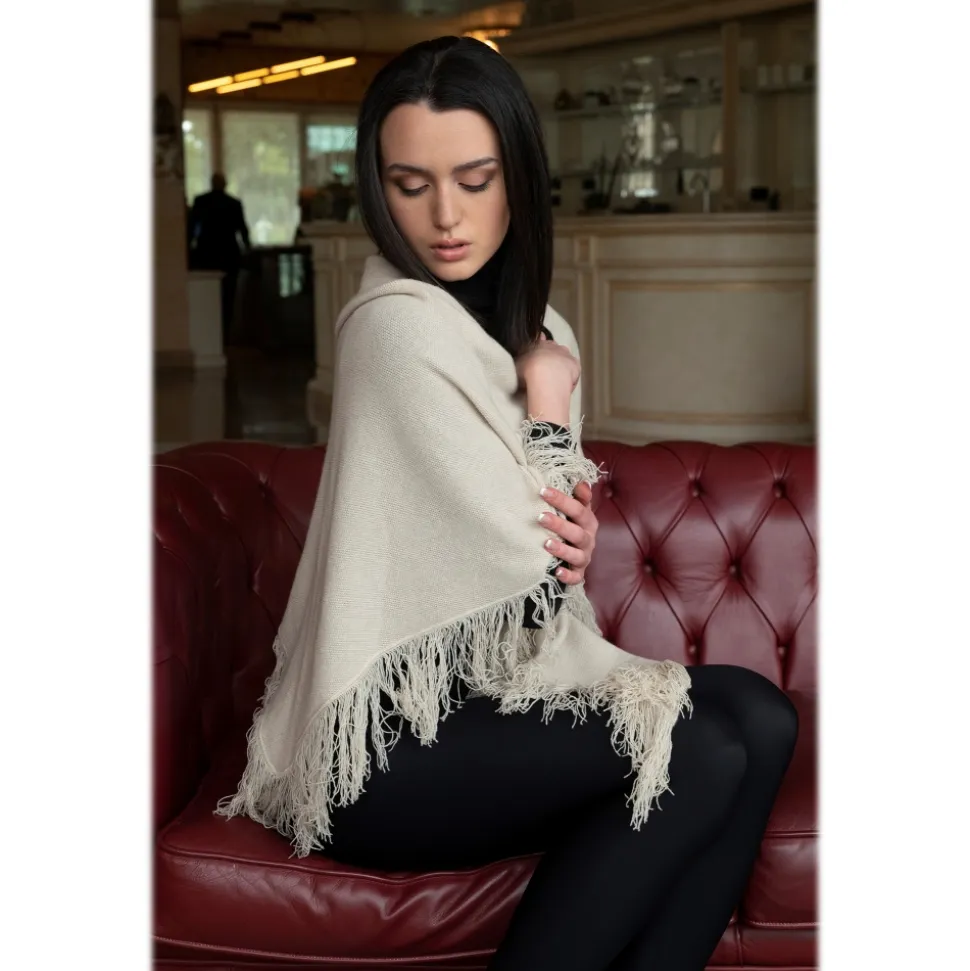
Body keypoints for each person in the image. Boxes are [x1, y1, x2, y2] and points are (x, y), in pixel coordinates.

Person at [217, 36, 798, 971]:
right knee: (702, 747)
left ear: (517, 176)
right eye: (411, 185)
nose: (445, 216)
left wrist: (555, 497)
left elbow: (542, 563)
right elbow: (534, 584)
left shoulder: (539, 329)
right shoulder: (396, 331)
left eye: (475, 179)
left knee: (764, 718)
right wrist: (552, 403)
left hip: (494, 701)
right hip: (388, 750)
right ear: (379, 188)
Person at [188, 173, 250, 343]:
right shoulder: (233, 204)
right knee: (228, 297)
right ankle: (225, 335)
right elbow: (242, 230)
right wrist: (247, 249)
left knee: (206, 295)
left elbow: (191, 229)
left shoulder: (201, 201)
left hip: (206, 254)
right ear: (225, 184)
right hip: (229, 254)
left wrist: (188, 250)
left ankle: (209, 333)